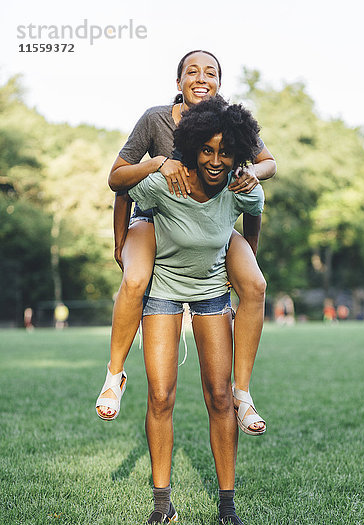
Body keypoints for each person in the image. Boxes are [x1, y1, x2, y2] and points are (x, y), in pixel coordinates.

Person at [96, 50, 276, 433]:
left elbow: (268, 165)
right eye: (191, 71)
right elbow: (119, 181)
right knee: (135, 280)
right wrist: (157, 163)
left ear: (219, 84)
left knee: (256, 284)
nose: (201, 77)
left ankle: (242, 393)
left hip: (213, 223)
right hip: (158, 218)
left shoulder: (229, 121)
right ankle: (114, 376)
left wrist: (250, 171)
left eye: (210, 72)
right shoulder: (156, 119)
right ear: (177, 82)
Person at [128, 97, 266, 525]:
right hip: (164, 290)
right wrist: (123, 246)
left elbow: (255, 212)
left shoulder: (241, 186)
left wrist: (242, 259)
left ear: (238, 154)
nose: (215, 160)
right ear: (191, 148)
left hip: (211, 294)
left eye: (225, 152)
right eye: (207, 150)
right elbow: (122, 190)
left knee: (221, 395)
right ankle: (161, 504)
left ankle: (227, 507)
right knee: (160, 394)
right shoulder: (166, 181)